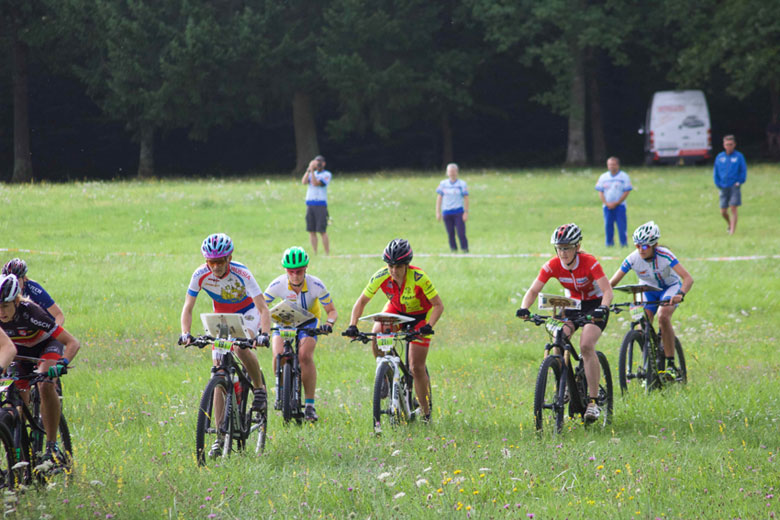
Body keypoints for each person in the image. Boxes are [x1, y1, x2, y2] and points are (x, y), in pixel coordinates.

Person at [180, 233, 271, 454]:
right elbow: (188, 307)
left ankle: (258, 389)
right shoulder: (200, 274)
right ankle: (220, 437)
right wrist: (185, 333)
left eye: (220, 261)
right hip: (221, 317)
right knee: (218, 371)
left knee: (241, 346)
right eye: (211, 262)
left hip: (247, 313)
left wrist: (264, 334)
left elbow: (263, 309)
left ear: (229, 259)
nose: (216, 267)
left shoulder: (242, 272)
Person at [516, 223, 612, 423]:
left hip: (595, 304)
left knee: (586, 345)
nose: (563, 252)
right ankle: (564, 385)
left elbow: (607, 290)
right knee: (558, 337)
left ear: (577, 247)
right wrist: (525, 307)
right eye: (559, 248)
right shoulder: (552, 264)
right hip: (573, 304)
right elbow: (534, 290)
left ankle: (593, 403)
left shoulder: (589, 262)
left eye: (567, 247)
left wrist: (603, 307)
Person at [345, 239, 443, 423]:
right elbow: (361, 302)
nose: (393, 270)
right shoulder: (381, 275)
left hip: (420, 316)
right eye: (390, 265)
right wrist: (352, 325)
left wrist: (428, 325)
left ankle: (425, 413)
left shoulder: (420, 278)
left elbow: (438, 305)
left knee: (416, 366)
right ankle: (384, 373)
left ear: (406, 265)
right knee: (377, 331)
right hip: (396, 310)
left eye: (398, 266)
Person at [0, 274, 80, 466]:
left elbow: (72, 342)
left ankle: (51, 446)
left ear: (16, 301)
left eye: (5, 306)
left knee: (44, 385)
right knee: (17, 399)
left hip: (45, 349)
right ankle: (18, 451)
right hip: (20, 355)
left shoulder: (32, 313)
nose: (1, 312)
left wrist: (62, 363)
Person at [609, 221, 693, 379]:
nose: (641, 250)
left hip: (670, 288)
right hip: (648, 290)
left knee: (663, 316)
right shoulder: (633, 259)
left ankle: (670, 364)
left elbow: (688, 278)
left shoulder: (665, 255)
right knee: (641, 321)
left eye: (645, 246)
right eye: (637, 246)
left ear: (655, 245)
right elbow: (611, 283)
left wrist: (680, 294)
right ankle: (650, 360)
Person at [263, 247, 337, 422]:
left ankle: (310, 405)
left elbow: (332, 311)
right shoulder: (277, 284)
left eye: (299, 271)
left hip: (309, 320)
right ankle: (280, 391)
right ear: (285, 271)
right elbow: (261, 307)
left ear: (306, 268)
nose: (295, 275)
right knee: (278, 354)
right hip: (285, 318)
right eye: (291, 272)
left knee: (305, 356)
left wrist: (328, 324)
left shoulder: (316, 285)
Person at [3, 258, 65, 325]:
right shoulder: (2, 290)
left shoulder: (33, 288)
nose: (13, 285)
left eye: (17, 281)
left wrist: (53, 333)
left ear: (24, 279)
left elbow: (59, 315)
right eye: (9, 281)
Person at [595, 157, 633, 247]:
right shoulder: (603, 177)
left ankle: (623, 244)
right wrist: (606, 203)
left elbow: (626, 191)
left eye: (613, 164)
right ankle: (609, 244)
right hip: (607, 206)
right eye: (609, 164)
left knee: (621, 226)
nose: (611, 166)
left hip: (620, 206)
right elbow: (600, 191)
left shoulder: (624, 177)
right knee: (608, 225)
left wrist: (617, 203)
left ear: (617, 165)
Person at [713, 135, 747, 235]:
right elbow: (716, 171)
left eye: (731, 144)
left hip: (734, 186)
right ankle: (730, 224)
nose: (729, 146)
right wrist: (717, 183)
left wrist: (740, 181)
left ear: (734, 145)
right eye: (727, 144)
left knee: (733, 207)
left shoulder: (739, 157)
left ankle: (732, 232)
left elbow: (743, 170)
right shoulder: (720, 157)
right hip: (723, 186)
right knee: (723, 211)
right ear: (724, 145)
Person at [435, 163, 469, 253]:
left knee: (461, 233)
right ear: (447, 172)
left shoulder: (462, 184)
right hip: (447, 212)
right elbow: (439, 198)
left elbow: (466, 198)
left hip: (458, 211)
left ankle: (465, 249)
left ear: (457, 172)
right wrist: (438, 212)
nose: (452, 173)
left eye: (454, 171)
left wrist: (466, 212)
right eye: (450, 171)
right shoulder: (443, 184)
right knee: (450, 233)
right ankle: (453, 250)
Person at [301, 155, 332, 255]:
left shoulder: (326, 174)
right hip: (310, 204)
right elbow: (303, 182)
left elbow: (315, 183)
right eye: (316, 162)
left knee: (322, 230)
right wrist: (309, 170)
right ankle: (315, 252)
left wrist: (313, 172)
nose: (317, 164)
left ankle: (327, 252)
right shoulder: (311, 173)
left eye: (319, 162)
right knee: (311, 230)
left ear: (324, 164)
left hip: (320, 205)